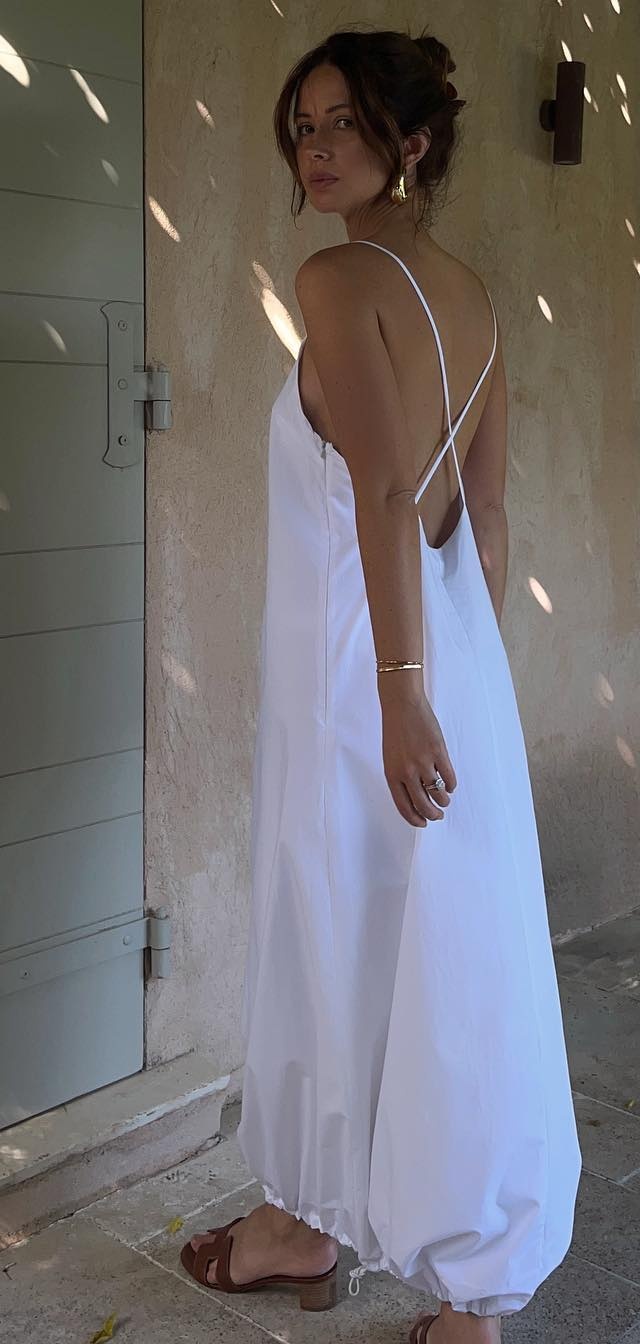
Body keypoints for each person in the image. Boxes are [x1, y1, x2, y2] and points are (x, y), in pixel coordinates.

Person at [181, 27, 582, 1344]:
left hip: (360, 681)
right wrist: (458, 679)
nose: (315, 148)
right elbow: (483, 514)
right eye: (303, 126)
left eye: (344, 122)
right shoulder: (471, 297)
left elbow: (386, 488)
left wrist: (402, 688)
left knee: (338, 943)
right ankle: (457, 1288)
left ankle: (314, 1223)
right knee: (442, 957)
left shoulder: (339, 278)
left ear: (409, 142)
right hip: (439, 661)